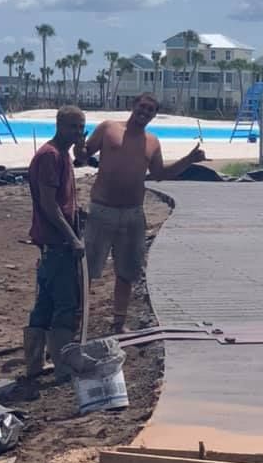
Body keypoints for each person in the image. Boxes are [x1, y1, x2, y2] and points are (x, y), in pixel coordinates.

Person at [75, 94, 206, 334]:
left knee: (127, 271)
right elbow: (84, 156)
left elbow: (159, 174)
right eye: (142, 107)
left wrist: (189, 160)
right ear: (133, 106)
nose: (145, 112)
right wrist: (79, 147)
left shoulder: (152, 142)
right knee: (88, 271)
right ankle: (78, 322)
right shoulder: (108, 128)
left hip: (133, 213)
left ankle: (118, 323)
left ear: (154, 115)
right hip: (102, 210)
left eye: (151, 110)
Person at [24, 105, 86, 395]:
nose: (77, 133)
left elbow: (62, 199)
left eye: (81, 127)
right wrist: (71, 236)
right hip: (56, 241)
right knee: (65, 304)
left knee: (46, 303)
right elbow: (49, 205)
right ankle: (62, 368)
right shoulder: (50, 156)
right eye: (73, 127)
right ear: (60, 125)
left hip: (54, 242)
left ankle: (35, 365)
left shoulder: (64, 155)